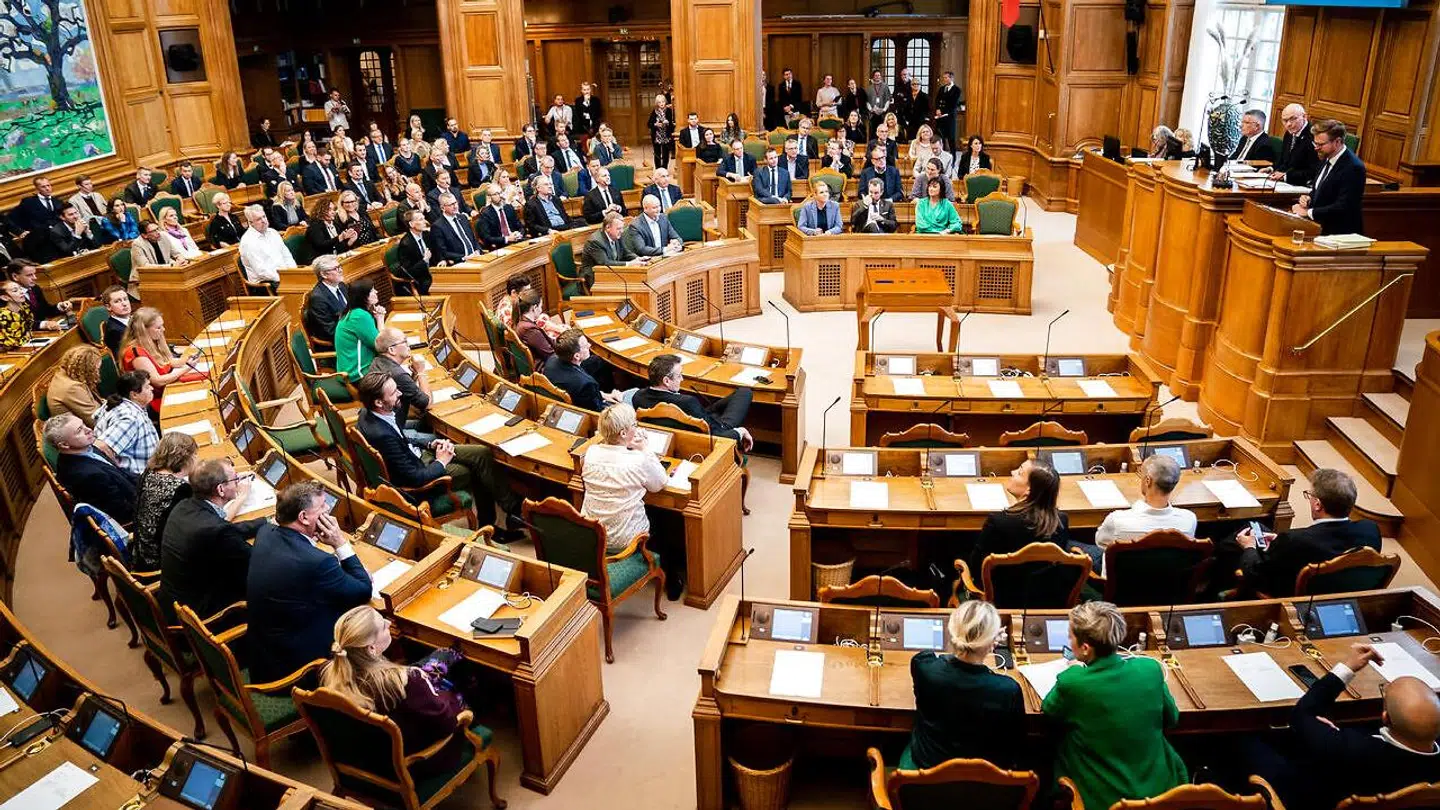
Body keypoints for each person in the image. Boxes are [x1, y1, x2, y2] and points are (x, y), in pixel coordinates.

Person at [1240, 642, 1440, 808]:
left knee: (1247, 741)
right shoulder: (1349, 745)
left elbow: (1301, 715)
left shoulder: (1346, 748)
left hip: (1311, 798)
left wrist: (1348, 667)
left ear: (1385, 717)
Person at [1044, 601, 1187, 810]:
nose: (1069, 641)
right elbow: (1172, 719)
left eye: (1070, 637)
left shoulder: (1073, 681)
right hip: (1161, 791)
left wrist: (1075, 670)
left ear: (1085, 648)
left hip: (1102, 798)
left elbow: (1049, 712)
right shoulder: (1149, 668)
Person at [355, 371, 522, 539]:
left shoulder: (368, 414)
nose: (400, 393)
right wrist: (441, 461)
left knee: (481, 453)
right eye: (393, 393)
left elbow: (400, 438)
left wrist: (429, 444)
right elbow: (415, 478)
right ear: (378, 402)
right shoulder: (382, 435)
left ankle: (512, 510)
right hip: (422, 483)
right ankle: (490, 526)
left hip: (419, 456)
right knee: (473, 468)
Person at [320, 606, 472, 777]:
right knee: (457, 693)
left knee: (432, 667)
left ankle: (443, 661)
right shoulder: (405, 681)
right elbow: (446, 724)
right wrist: (450, 697)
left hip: (367, 758)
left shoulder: (330, 673)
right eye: (383, 626)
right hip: (414, 764)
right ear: (371, 648)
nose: (388, 622)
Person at [247, 481, 371, 683]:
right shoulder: (317, 562)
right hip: (298, 669)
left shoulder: (266, 534)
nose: (328, 510)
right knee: (372, 624)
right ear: (303, 517)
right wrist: (340, 543)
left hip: (266, 655)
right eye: (322, 506)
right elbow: (363, 590)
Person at [901, 600, 1023, 770]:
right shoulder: (1008, 689)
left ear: (952, 633)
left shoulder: (925, 667)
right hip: (989, 783)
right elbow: (1016, 739)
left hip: (928, 772)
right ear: (992, 643)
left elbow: (934, 658)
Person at [1226, 467, 1382, 596]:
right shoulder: (1370, 529)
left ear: (1318, 505)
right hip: (1343, 594)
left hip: (1291, 599)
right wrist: (1279, 542)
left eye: (1310, 496)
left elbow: (1255, 574)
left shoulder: (1295, 540)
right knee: (1257, 528)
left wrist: (1249, 547)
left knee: (1237, 539)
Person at [580, 402, 678, 595]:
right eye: (634, 424)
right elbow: (659, 484)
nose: (637, 427)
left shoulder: (590, 453)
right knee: (666, 520)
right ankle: (672, 578)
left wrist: (627, 445)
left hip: (594, 533)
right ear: (623, 433)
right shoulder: (638, 459)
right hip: (625, 539)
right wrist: (644, 448)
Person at [159, 456, 267, 621]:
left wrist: (266, 522)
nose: (238, 482)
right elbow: (257, 562)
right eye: (235, 479)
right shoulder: (216, 531)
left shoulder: (184, 507)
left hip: (174, 601)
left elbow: (227, 529)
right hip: (199, 615)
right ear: (221, 490)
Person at [1069, 453, 1197, 568]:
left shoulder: (1118, 520)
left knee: (1068, 544)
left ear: (1148, 481)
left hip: (1121, 586)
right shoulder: (1189, 520)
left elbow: (1100, 542)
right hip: (1166, 585)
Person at [633, 353, 753, 449]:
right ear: (666, 381)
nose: (682, 379)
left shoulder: (638, 397)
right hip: (712, 433)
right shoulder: (687, 402)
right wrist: (740, 432)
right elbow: (718, 436)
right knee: (745, 392)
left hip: (689, 422)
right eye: (679, 375)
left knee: (716, 408)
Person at [970, 459, 1068, 570]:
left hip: (999, 586)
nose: (1012, 472)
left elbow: (976, 567)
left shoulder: (998, 521)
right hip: (1043, 586)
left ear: (1029, 490)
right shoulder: (1061, 520)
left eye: (1019, 472)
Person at [44, 413, 139, 524]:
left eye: (83, 424)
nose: (88, 429)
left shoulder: (85, 447)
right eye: (79, 430)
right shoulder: (89, 476)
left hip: (132, 491)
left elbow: (120, 473)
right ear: (64, 445)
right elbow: (124, 513)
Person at [134, 433, 199, 574]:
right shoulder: (180, 489)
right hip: (160, 560)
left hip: (142, 549)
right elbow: (198, 526)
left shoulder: (150, 471)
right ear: (185, 459)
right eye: (194, 455)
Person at [119, 307, 199, 417]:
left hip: (166, 391)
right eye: (158, 327)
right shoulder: (135, 352)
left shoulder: (152, 342)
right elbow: (158, 381)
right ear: (144, 330)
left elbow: (167, 362)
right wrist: (186, 368)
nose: (163, 330)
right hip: (154, 401)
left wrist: (185, 360)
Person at [1292, 119, 1366, 236]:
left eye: (1320, 144)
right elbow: (1321, 190)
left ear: (1337, 142)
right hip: (1320, 228)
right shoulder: (1325, 157)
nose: (1316, 148)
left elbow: (1344, 206)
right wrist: (1309, 198)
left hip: (1339, 234)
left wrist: (1309, 212)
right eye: (1315, 143)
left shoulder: (1353, 167)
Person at [94, 370, 158, 474]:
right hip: (143, 475)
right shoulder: (130, 418)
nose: (152, 388)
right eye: (147, 386)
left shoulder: (118, 403)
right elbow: (101, 447)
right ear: (134, 395)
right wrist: (121, 472)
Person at [369, 327, 433, 430]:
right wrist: (421, 372)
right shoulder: (398, 374)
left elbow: (407, 390)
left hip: (382, 423)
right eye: (405, 342)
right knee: (436, 437)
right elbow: (428, 404)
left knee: (428, 424)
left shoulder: (377, 361)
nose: (409, 346)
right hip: (393, 430)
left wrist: (414, 374)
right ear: (391, 350)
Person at [544, 328, 621, 412]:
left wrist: (602, 394)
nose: (589, 345)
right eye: (585, 346)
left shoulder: (551, 360)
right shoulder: (586, 384)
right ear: (577, 356)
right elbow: (596, 411)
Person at [334, 278, 384, 381]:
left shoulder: (353, 312)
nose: (376, 292)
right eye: (372, 291)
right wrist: (380, 318)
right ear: (363, 297)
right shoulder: (360, 316)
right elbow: (381, 345)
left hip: (351, 371)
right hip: (358, 375)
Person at [238, 205, 295, 293]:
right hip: (265, 284)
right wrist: (284, 278)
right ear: (251, 223)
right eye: (258, 219)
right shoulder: (248, 242)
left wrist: (294, 272)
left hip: (284, 276)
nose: (264, 221)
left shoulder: (273, 232)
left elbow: (287, 255)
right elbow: (262, 272)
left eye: (264, 216)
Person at [581, 212, 644, 288]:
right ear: (608, 228)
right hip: (595, 278)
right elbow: (605, 263)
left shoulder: (617, 236)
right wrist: (629, 264)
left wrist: (638, 259)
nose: (622, 231)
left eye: (622, 228)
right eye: (618, 228)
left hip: (612, 273)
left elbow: (626, 253)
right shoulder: (595, 241)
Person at [47, 345, 106, 426]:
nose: (98, 373)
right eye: (96, 369)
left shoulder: (65, 373)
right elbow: (96, 421)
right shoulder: (72, 388)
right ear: (86, 370)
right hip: (78, 432)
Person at [9, 260, 72, 329]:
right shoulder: (9, 296)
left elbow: (45, 310)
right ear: (15, 276)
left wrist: (60, 306)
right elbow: (17, 323)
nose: (35, 278)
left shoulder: (35, 288)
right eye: (29, 275)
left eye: (34, 274)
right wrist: (43, 324)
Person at [494, 276, 563, 338]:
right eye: (526, 291)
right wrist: (555, 328)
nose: (529, 294)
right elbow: (524, 330)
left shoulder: (508, 300)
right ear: (514, 292)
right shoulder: (508, 310)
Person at [1269, 104, 1319, 186]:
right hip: (1285, 183)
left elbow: (1314, 171)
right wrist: (1271, 169)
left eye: (1293, 119)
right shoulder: (1289, 133)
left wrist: (1286, 176)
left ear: (1304, 116)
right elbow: (1284, 161)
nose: (1288, 124)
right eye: (1285, 120)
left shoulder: (1313, 136)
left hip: (1303, 185)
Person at [303, 255, 348, 345]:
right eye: (335, 269)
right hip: (338, 342)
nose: (340, 270)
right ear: (323, 274)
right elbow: (330, 331)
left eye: (340, 267)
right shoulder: (318, 298)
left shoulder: (342, 286)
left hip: (349, 332)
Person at [394, 210, 438, 294]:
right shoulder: (406, 244)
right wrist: (424, 261)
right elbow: (408, 272)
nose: (425, 222)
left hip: (433, 272)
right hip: (421, 280)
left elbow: (436, 253)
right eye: (421, 219)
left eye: (424, 218)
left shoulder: (426, 235)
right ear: (411, 224)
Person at [431, 193, 481, 265]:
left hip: (477, 257)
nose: (455, 206)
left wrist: (478, 250)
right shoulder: (438, 226)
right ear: (442, 208)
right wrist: (464, 257)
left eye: (455, 203)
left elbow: (473, 239)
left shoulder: (463, 218)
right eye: (451, 205)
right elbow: (443, 252)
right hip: (460, 262)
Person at [476, 185, 524, 250]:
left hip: (517, 241)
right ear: (489, 197)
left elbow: (520, 226)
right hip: (500, 246)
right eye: (496, 194)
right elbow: (487, 238)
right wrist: (507, 239)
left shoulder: (509, 207)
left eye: (501, 193)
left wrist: (519, 234)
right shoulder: (485, 214)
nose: (500, 196)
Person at [933, 71, 963, 152]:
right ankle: (941, 155)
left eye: (946, 78)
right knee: (940, 138)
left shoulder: (957, 90)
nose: (944, 79)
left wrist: (942, 111)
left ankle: (953, 157)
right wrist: (937, 109)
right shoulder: (942, 89)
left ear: (951, 78)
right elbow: (937, 100)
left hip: (949, 117)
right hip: (940, 118)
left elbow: (953, 104)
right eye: (944, 78)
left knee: (951, 139)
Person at [0, 280, 33, 350]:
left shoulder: (25, 307)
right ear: (5, 297)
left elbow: (29, 329)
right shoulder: (3, 316)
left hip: (24, 346)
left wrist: (27, 336)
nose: (21, 292)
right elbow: (12, 343)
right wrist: (27, 337)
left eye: (20, 288)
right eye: (15, 291)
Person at [99, 284, 130, 355]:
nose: (124, 304)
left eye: (125, 299)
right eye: (117, 301)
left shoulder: (133, 318)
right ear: (108, 307)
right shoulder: (115, 330)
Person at [647, 93, 674, 170]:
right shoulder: (654, 112)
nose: (661, 104)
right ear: (657, 103)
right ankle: (658, 169)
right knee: (657, 153)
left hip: (666, 135)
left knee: (666, 154)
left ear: (665, 102)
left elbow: (672, 125)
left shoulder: (669, 111)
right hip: (657, 135)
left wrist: (667, 122)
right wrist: (655, 124)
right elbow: (649, 124)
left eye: (663, 102)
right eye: (659, 102)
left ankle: (664, 169)